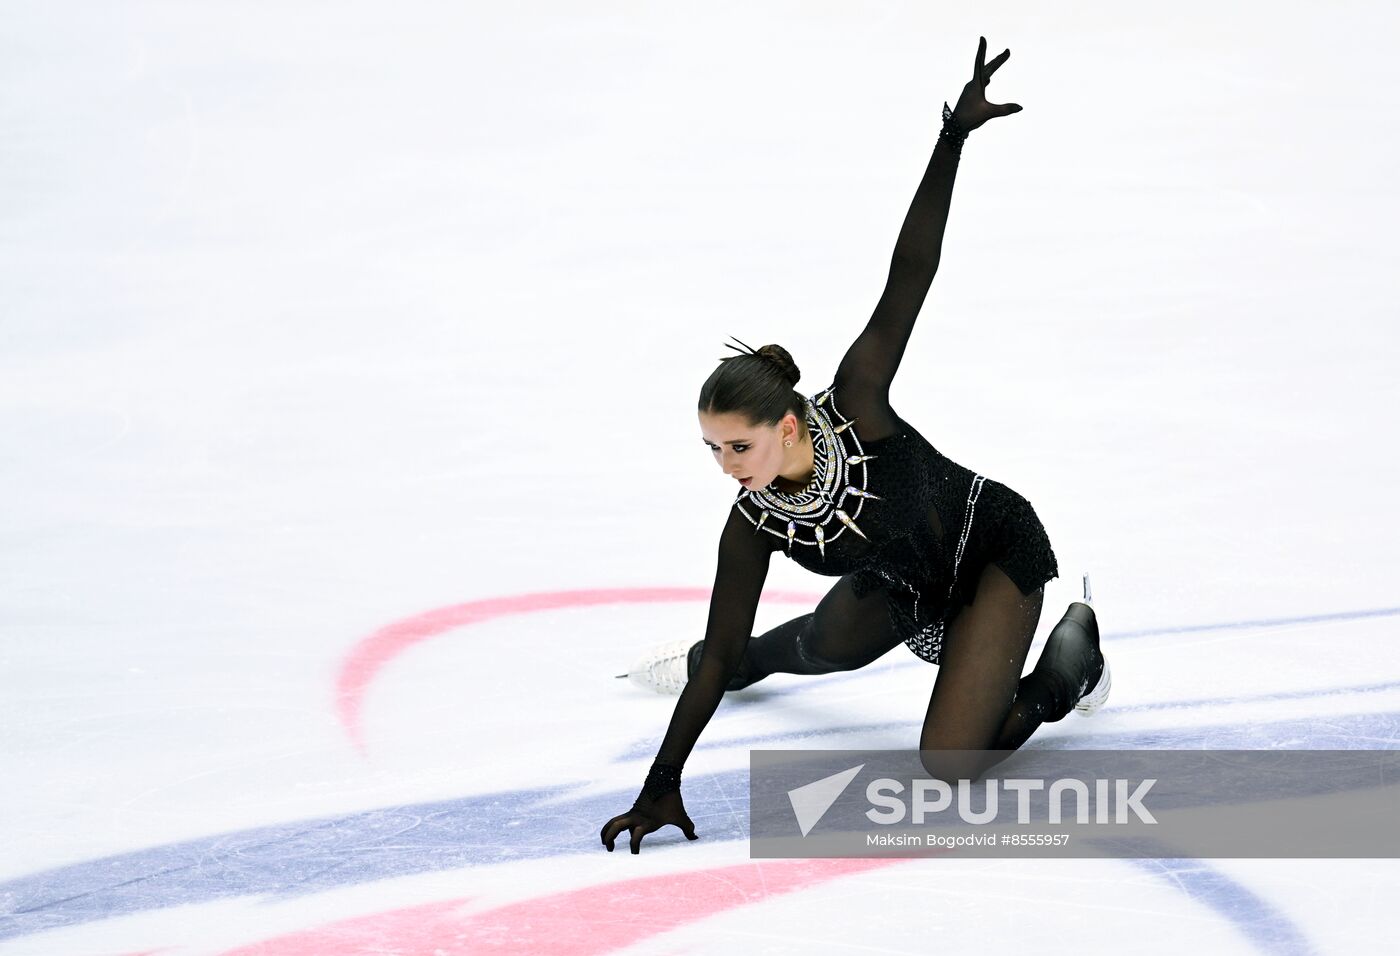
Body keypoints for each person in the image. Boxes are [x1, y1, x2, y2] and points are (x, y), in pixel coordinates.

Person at [601, 37, 1109, 855]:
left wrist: (954, 137)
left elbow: (910, 273)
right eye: (713, 451)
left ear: (789, 426)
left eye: (738, 447)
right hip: (900, 579)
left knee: (948, 763)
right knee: (799, 647)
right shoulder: (754, 521)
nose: (728, 468)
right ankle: (730, 678)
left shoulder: (858, 403)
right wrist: (662, 783)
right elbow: (728, 630)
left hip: (991, 554)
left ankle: (1064, 673)